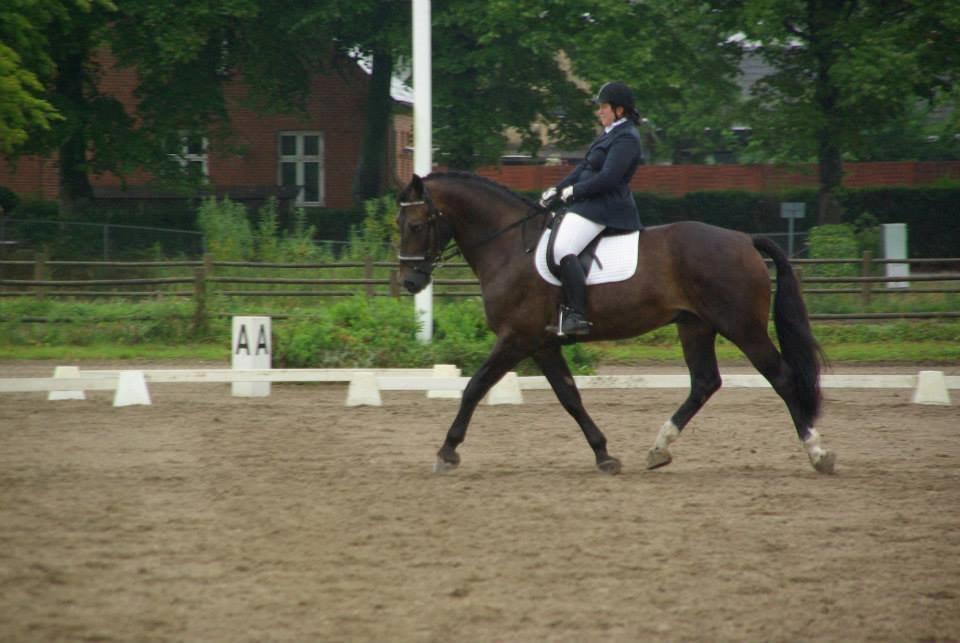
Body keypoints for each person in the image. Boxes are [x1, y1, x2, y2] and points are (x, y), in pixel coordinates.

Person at [540, 81, 644, 336]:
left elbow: (609, 177)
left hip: (607, 207)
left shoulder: (627, 138)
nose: (599, 112)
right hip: (589, 203)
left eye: (604, 107)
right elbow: (584, 169)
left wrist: (575, 191)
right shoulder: (610, 134)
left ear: (619, 110)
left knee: (563, 248)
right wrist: (557, 188)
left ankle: (576, 315)